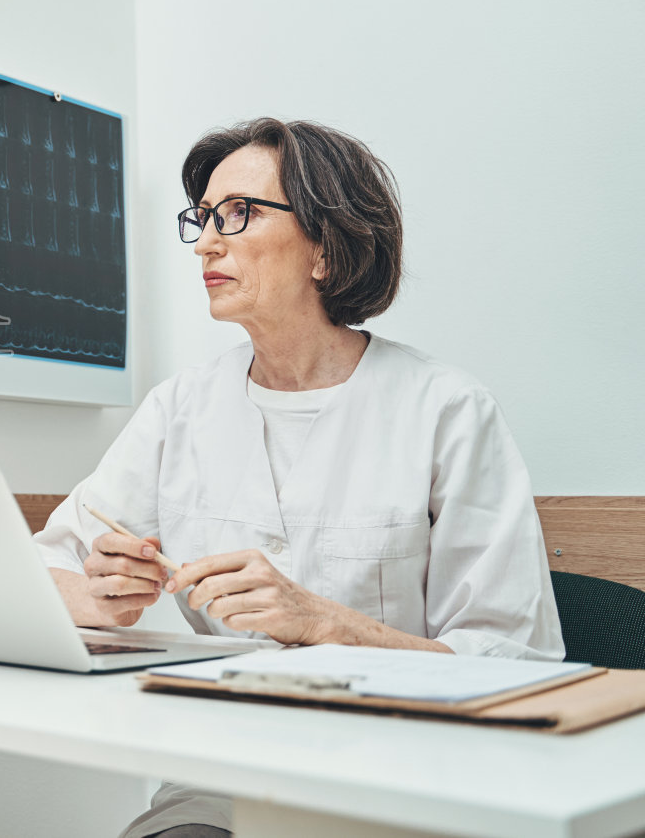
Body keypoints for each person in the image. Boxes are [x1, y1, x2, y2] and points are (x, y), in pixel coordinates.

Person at [34, 117, 562, 838]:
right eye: (203, 218)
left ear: (324, 245)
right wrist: (96, 593)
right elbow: (42, 568)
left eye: (239, 213)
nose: (207, 242)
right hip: (222, 779)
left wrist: (327, 624)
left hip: (407, 783)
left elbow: (517, 665)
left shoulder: (446, 410)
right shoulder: (180, 408)